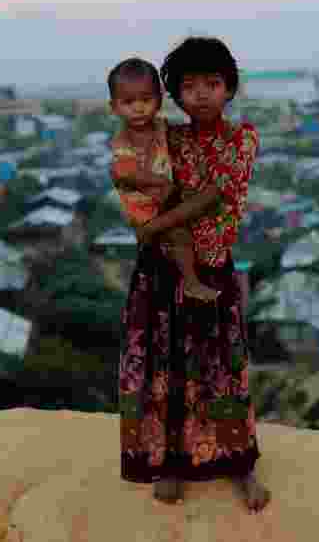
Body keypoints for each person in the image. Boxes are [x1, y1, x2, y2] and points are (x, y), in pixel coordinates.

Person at [117, 36, 271, 513]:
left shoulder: (242, 138)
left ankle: (240, 464)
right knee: (167, 369)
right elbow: (137, 177)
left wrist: (151, 227)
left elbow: (211, 197)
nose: (201, 94)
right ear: (174, 94)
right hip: (163, 269)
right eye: (189, 85)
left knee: (222, 368)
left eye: (213, 83)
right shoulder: (168, 137)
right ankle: (170, 463)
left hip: (211, 266)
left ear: (230, 88)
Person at [107, 57, 221, 302]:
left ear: (158, 101)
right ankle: (190, 283)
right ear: (114, 107)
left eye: (146, 100)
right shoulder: (122, 141)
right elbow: (125, 172)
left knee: (207, 196)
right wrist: (159, 182)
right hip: (143, 205)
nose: (138, 108)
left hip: (167, 196)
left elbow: (186, 143)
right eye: (128, 102)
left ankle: (157, 230)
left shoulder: (163, 127)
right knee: (180, 234)